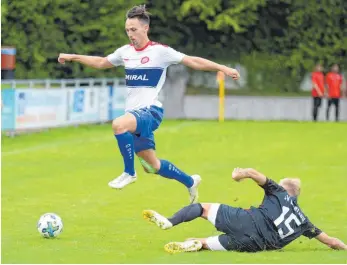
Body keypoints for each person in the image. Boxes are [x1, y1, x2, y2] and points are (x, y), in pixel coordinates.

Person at [57, 5, 240, 204]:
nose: (130, 34)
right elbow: (101, 62)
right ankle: (190, 182)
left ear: (145, 28)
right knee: (152, 166)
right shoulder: (125, 52)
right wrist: (73, 57)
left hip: (150, 112)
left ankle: (129, 172)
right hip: (135, 115)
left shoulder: (159, 52)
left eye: (133, 29)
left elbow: (193, 61)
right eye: (127, 30)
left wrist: (222, 68)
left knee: (118, 125)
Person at [143, 167, 347, 253]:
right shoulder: (304, 222)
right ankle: (198, 243)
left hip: (247, 220)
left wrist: (239, 175)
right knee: (201, 243)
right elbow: (331, 242)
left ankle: (169, 222)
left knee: (202, 208)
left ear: (285, 189)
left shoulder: (279, 192)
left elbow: (253, 173)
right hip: (256, 245)